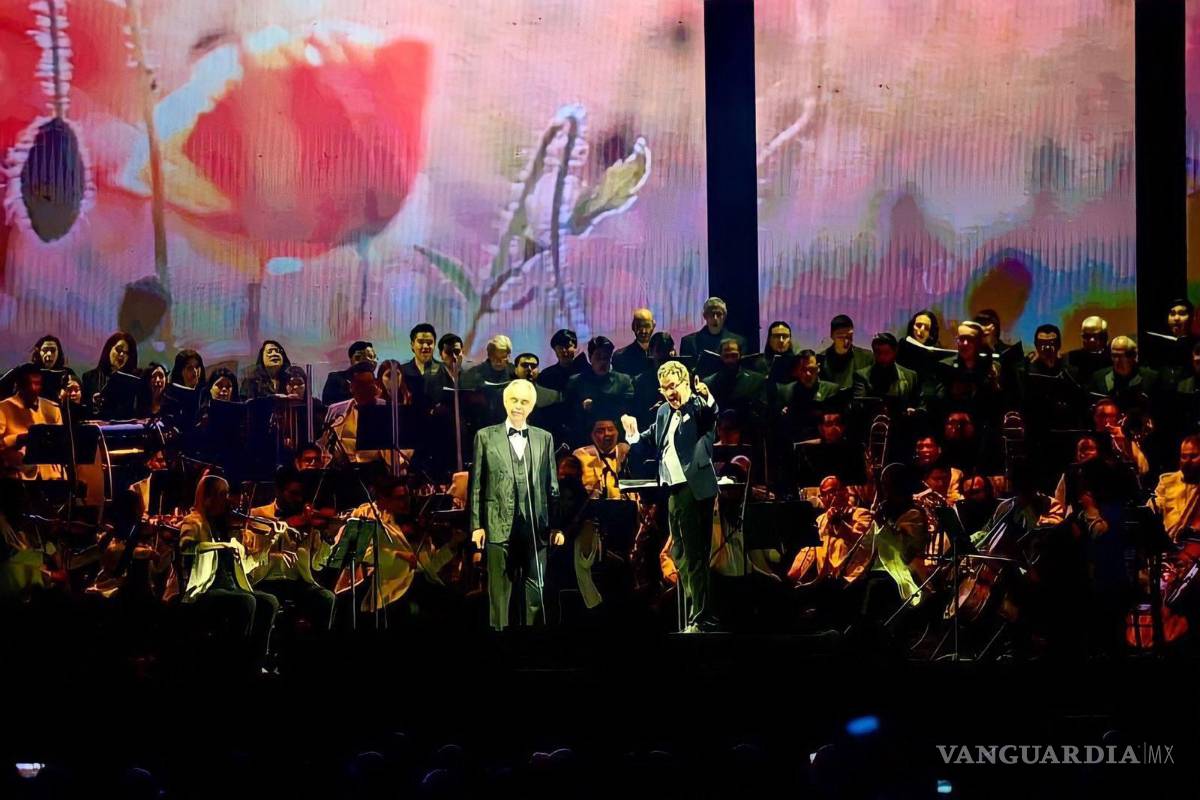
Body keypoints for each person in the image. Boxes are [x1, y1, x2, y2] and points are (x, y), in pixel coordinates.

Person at [621, 360, 719, 632]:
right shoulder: (664, 411)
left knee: (695, 554)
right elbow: (651, 438)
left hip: (694, 487)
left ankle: (702, 618)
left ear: (686, 383)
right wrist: (632, 434)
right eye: (664, 388)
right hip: (672, 488)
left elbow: (711, 414)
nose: (669, 393)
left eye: (673, 386)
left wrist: (706, 396)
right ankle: (694, 609)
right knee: (680, 554)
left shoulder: (697, 407)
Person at [469, 379, 563, 630]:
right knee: (499, 591)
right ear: (504, 402)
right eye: (513, 400)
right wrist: (476, 525)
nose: (518, 406)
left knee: (536, 590)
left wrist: (556, 526)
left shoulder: (544, 438)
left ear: (531, 406)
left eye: (524, 402)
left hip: (535, 525)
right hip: (498, 522)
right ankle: (500, 638)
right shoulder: (485, 436)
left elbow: (552, 486)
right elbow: (476, 485)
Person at [179, 474, 279, 672]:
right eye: (222, 494)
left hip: (231, 586)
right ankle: (235, 663)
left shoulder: (225, 526)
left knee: (269, 601)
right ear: (208, 497)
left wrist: (271, 540)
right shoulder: (194, 521)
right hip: (206, 589)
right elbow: (186, 547)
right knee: (246, 602)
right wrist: (221, 545)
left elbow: (246, 566)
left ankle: (256, 662)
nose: (228, 500)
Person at [245, 466, 336, 629]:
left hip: (297, 583)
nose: (299, 499)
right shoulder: (257, 515)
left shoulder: (308, 521)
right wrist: (278, 551)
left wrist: (327, 543)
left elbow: (317, 565)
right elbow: (252, 556)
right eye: (293, 493)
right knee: (268, 602)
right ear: (278, 491)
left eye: (301, 494)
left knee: (327, 598)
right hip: (265, 580)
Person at [564, 336, 634, 445]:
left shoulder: (623, 381)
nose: (602, 362)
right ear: (590, 357)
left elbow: (627, 410)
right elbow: (569, 414)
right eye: (598, 357)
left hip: (616, 441)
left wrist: (595, 405)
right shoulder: (576, 382)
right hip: (585, 442)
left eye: (606, 358)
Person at [0, 364, 65, 481]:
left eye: (37, 383)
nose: (33, 388)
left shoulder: (52, 409)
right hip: (18, 478)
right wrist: (17, 439)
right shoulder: (3, 408)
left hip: (52, 478)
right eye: (28, 384)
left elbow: (61, 443)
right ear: (19, 385)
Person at [322, 362, 388, 465]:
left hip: (379, 468)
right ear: (351, 387)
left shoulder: (386, 408)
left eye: (370, 383)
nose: (367, 389)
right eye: (361, 385)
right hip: (345, 468)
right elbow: (325, 445)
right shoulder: (337, 411)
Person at [679, 296, 749, 377]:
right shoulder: (689, 342)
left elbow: (743, 371)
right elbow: (685, 372)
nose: (715, 318)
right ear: (705, 316)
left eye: (719, 314)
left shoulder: (739, 341)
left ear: (724, 316)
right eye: (711, 314)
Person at [852, 333, 920, 414]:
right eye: (878, 353)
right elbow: (858, 407)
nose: (882, 357)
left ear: (895, 352)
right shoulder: (861, 376)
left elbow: (920, 406)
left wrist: (914, 411)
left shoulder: (910, 376)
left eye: (886, 353)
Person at [1088, 335, 1157, 416]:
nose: (1118, 360)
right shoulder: (1099, 378)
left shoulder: (1151, 378)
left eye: (1122, 356)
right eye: (1114, 356)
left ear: (1134, 356)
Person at [81, 331, 139, 417]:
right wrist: (93, 402)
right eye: (119, 350)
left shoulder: (133, 380)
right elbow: (83, 408)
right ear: (109, 349)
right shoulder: (89, 377)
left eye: (126, 353)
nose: (122, 354)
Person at [573, 418, 629, 499]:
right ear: (592, 435)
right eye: (600, 431)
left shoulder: (627, 452)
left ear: (617, 432)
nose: (607, 434)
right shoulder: (580, 455)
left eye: (610, 429)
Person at [819, 314, 873, 391]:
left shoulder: (866, 358)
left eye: (849, 336)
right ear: (832, 336)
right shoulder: (821, 359)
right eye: (841, 337)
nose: (846, 342)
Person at [321, 341, 377, 406]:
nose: (365, 361)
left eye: (371, 357)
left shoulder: (379, 382)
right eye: (358, 357)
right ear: (351, 359)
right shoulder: (336, 379)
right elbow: (328, 406)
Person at [400, 323, 441, 407]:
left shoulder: (443, 370)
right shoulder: (401, 371)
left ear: (434, 344)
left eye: (429, 342)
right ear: (412, 345)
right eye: (421, 342)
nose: (425, 346)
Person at [612, 308, 657, 377]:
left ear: (653, 326)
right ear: (633, 327)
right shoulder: (620, 357)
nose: (643, 331)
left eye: (647, 326)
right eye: (639, 326)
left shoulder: (662, 355)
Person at [1066, 316, 1110, 385]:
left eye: (1095, 336)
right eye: (1087, 336)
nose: (1091, 340)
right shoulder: (1074, 357)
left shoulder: (1112, 357)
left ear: (1104, 336)